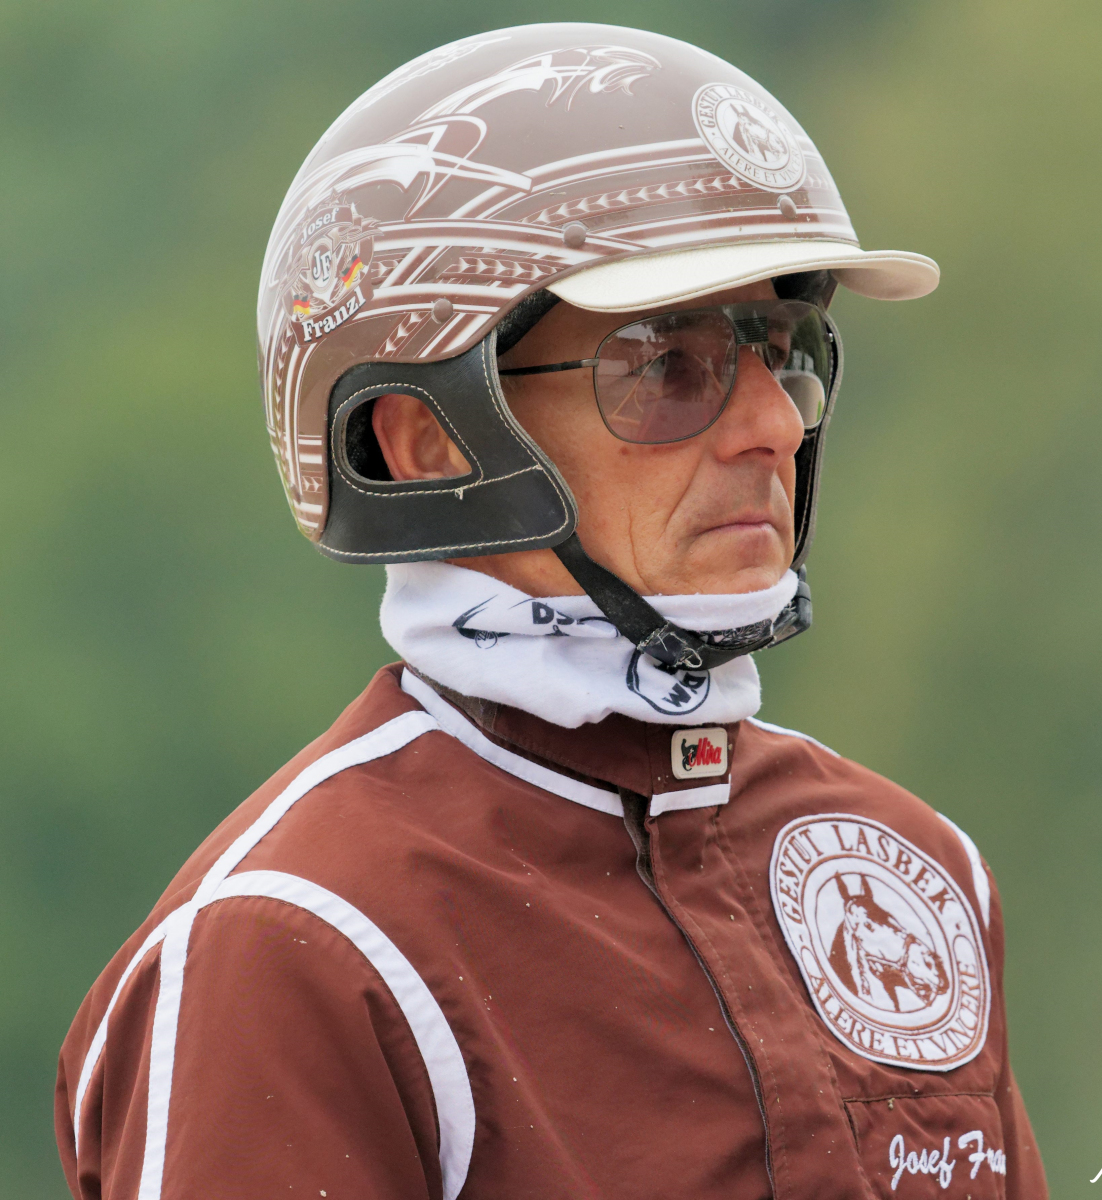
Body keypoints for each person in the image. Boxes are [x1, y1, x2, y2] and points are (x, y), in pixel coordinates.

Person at [55, 23, 1049, 1200]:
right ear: (426, 439)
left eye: (783, 351)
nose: (774, 425)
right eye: (664, 364)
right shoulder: (295, 939)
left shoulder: (919, 864)